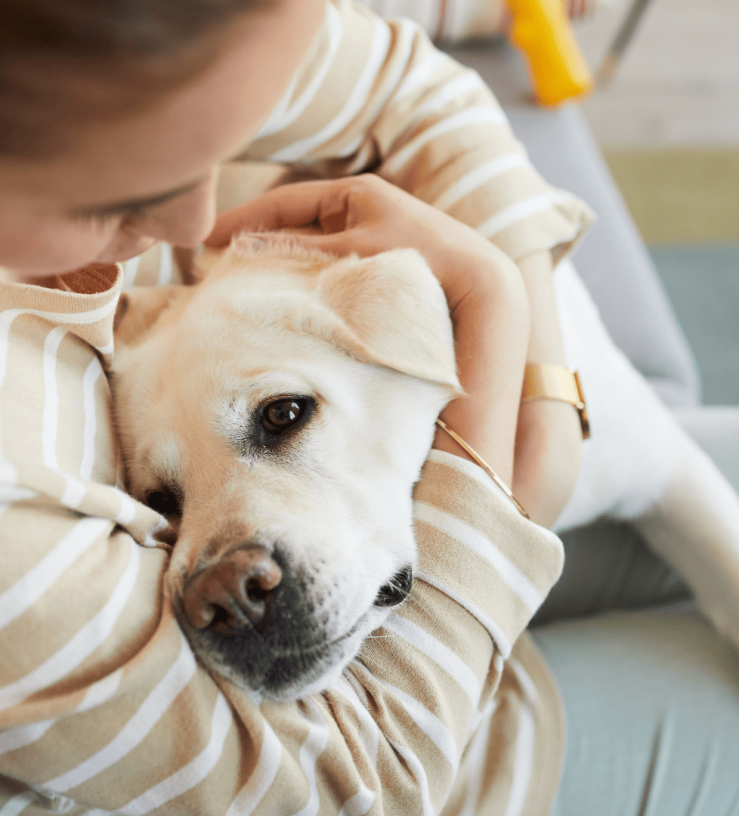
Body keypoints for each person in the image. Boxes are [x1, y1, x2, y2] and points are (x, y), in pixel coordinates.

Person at [1, 2, 736, 816]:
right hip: (391, 745)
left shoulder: (164, 48)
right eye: (125, 186)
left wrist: (529, 364)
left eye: (282, 418)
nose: (195, 224)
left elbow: (410, 87)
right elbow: (360, 781)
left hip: (397, 587)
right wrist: (492, 306)